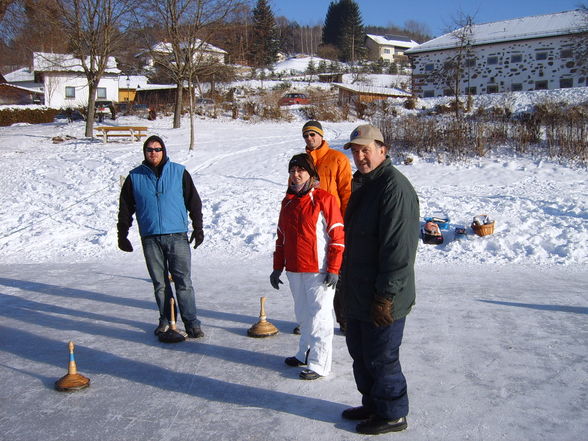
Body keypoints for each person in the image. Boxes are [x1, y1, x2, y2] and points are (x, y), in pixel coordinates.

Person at [340, 125, 420, 435]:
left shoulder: (393, 188)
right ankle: (373, 403)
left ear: (382, 150)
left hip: (383, 295)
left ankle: (393, 413)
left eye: (366, 150)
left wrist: (385, 296)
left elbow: (399, 250)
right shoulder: (366, 185)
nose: (360, 156)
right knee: (361, 353)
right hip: (360, 291)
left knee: (381, 357)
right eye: (356, 150)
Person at [117, 135, 205, 339]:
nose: (153, 153)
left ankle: (191, 322)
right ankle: (166, 320)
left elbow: (194, 202)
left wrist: (198, 227)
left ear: (163, 151)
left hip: (177, 236)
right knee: (160, 283)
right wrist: (122, 234)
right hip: (150, 238)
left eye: (157, 149)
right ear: (144, 152)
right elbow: (125, 208)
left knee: (183, 281)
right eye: (149, 149)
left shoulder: (179, 172)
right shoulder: (134, 177)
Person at [270, 153, 345, 380]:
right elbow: (281, 237)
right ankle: (304, 353)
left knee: (320, 315)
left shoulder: (324, 199)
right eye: (292, 170)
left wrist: (333, 268)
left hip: (318, 270)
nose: (296, 174)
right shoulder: (288, 202)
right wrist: (277, 266)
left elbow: (337, 236)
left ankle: (320, 364)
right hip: (294, 268)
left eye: (301, 170)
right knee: (302, 314)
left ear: (311, 173)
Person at [299, 120, 352, 334]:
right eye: (306, 136)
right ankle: (310, 319)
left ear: (321, 135)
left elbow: (347, 192)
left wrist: (347, 222)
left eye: (313, 134)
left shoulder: (338, 158)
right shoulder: (301, 162)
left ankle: (344, 319)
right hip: (310, 227)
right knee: (311, 273)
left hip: (333, 222)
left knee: (335, 272)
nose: (310, 139)